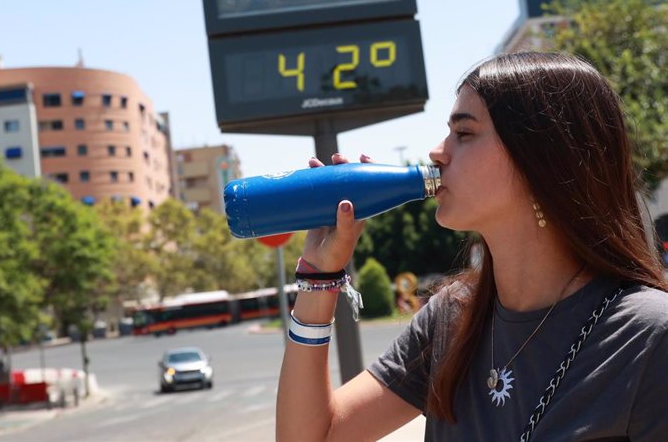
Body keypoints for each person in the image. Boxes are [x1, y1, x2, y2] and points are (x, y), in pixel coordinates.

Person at [276, 51, 668, 441]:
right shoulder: (451, 317)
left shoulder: (649, 337)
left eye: (464, 133)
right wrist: (319, 274)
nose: (436, 152)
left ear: (541, 160)